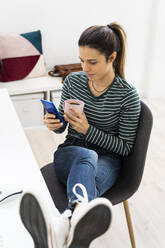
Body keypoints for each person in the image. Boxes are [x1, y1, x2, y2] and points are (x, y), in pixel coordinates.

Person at [19, 22, 141, 248]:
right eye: (82, 60)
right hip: (71, 151)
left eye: (92, 62)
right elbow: (63, 129)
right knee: (87, 157)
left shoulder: (127, 96)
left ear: (112, 57)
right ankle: (74, 226)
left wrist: (89, 130)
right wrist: (53, 123)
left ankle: (64, 223)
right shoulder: (73, 82)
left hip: (109, 158)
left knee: (91, 175)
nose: (84, 67)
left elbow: (124, 148)